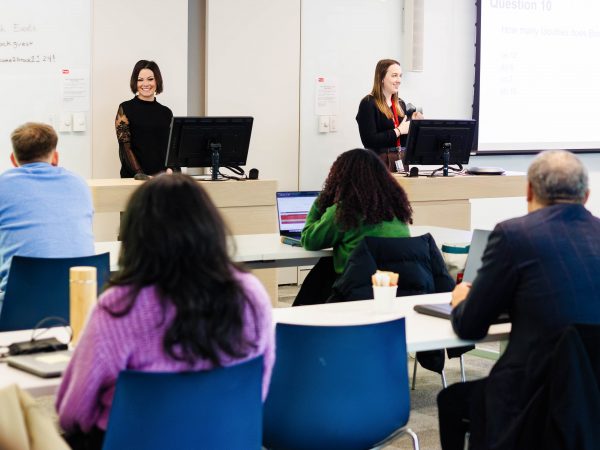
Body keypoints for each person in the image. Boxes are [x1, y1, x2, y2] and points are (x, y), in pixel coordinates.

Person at [56, 173, 275, 450]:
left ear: (136, 235)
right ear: (210, 226)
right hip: (225, 440)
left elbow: (72, 414)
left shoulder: (118, 307)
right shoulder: (250, 294)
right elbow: (258, 390)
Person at [437, 150, 600, 450]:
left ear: (528, 191)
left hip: (532, 398)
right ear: (587, 196)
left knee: (451, 400)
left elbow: (471, 326)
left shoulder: (514, 235)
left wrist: (461, 298)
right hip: (593, 401)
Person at [293, 148, 413, 305]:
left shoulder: (345, 211)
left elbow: (309, 240)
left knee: (324, 269)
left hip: (356, 288)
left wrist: (321, 201)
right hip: (396, 288)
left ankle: (299, 319)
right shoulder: (397, 208)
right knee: (326, 265)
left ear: (341, 178)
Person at [0, 123, 94, 309]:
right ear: (55, 158)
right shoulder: (79, 184)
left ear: (13, 159)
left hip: (17, 310)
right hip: (80, 304)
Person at [356, 58, 423, 172]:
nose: (399, 80)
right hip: (378, 163)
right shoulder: (368, 103)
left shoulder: (400, 104)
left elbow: (404, 140)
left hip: (401, 160)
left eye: (400, 76)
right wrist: (398, 131)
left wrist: (415, 125)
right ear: (381, 78)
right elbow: (370, 141)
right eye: (394, 75)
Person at [115, 60, 173, 178]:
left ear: (157, 81)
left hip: (162, 180)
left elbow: (171, 148)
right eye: (140, 80)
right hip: (135, 179)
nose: (145, 84)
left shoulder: (166, 112)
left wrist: (171, 169)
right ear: (135, 83)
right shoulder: (125, 108)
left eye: (150, 79)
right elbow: (125, 148)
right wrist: (141, 174)